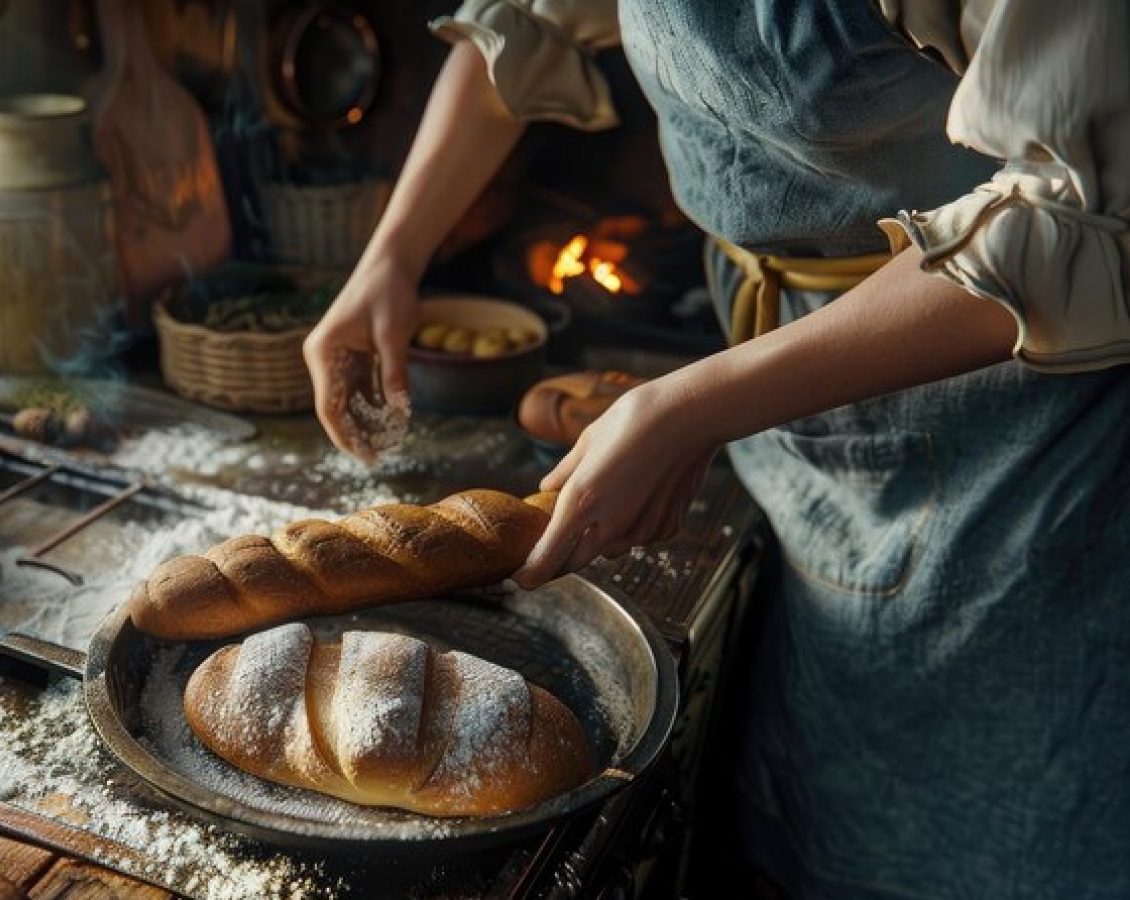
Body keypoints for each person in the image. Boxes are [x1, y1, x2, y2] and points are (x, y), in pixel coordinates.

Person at [302, 1, 1130, 898]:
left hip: (1018, 430)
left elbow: (1090, 210)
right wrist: (394, 250)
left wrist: (700, 407)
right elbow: (529, 20)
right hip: (791, 398)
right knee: (813, 815)